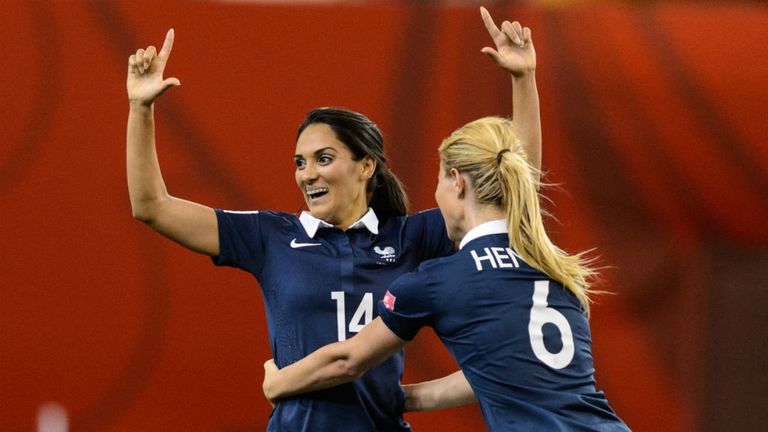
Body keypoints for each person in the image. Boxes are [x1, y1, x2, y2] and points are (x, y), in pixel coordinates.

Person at [126, 6, 540, 431]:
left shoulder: (411, 237)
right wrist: (141, 108)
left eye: (324, 159)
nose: (308, 174)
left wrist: (523, 79)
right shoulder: (269, 236)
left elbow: (513, 189)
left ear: (366, 167)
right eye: (300, 163)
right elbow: (152, 205)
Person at [260, 56, 629, 432]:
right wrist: (404, 397)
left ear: (457, 182)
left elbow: (348, 360)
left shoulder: (436, 281)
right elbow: (502, 371)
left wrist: (279, 381)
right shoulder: (557, 273)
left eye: (438, 181)